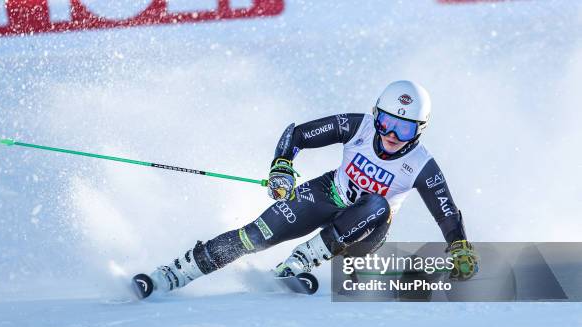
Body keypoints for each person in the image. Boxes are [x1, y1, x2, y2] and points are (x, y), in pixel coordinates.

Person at [140, 80, 479, 297]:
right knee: (254, 236)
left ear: (420, 131)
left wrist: (460, 247)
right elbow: (297, 133)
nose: (392, 134)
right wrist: (282, 166)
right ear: (375, 116)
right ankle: (174, 273)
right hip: (328, 193)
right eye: (387, 123)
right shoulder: (357, 126)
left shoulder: (422, 164)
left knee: (378, 203)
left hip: (365, 233)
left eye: (404, 129)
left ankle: (301, 261)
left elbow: (446, 213)